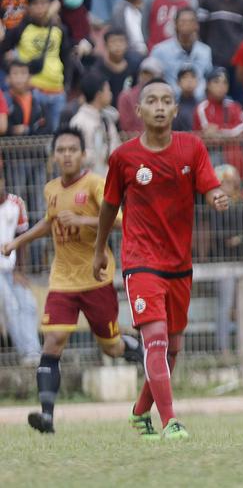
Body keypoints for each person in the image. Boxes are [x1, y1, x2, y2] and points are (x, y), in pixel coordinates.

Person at [95, 78, 227, 439]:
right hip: (140, 260)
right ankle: (171, 422)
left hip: (179, 263)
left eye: (165, 100)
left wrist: (217, 197)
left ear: (174, 109)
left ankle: (140, 413)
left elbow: (209, 185)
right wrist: (99, 248)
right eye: (150, 100)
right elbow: (109, 206)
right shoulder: (123, 157)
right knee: (155, 338)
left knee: (173, 348)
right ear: (138, 111)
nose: (158, 106)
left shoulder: (191, 148)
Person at [4, 128, 142, 433]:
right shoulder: (51, 188)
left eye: (72, 150)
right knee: (53, 341)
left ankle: (143, 353)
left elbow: (121, 219)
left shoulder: (96, 184)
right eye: (61, 150)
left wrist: (83, 220)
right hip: (63, 281)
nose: (66, 155)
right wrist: (17, 242)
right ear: (54, 155)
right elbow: (49, 222)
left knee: (112, 347)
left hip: (95, 280)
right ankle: (47, 417)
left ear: (82, 155)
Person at [3, 0, 71, 128]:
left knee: (57, 137)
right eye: (35, 4)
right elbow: (2, 52)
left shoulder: (59, 29)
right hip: (33, 91)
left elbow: (67, 58)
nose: (40, 8)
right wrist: (13, 71)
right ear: (28, 7)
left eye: (44, 3)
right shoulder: (20, 29)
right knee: (36, 137)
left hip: (57, 91)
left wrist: (66, 85)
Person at [0, 171, 37, 366]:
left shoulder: (16, 203)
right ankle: (27, 353)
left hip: (11, 268)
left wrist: (19, 270)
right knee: (11, 307)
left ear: (3, 181)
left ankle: (34, 353)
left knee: (28, 305)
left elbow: (23, 240)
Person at [150, 6, 212, 99]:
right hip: (170, 101)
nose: (187, 24)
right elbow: (152, 81)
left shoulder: (205, 51)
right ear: (175, 24)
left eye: (191, 21)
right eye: (183, 21)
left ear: (197, 25)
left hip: (199, 102)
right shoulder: (159, 51)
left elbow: (208, 77)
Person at [69, 75, 121, 175]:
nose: (110, 94)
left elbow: (116, 147)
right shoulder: (78, 121)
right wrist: (99, 154)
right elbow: (74, 155)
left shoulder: (106, 119)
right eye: (108, 90)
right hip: (87, 183)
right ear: (99, 94)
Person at [116, 57, 160, 133]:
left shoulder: (163, 99)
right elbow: (126, 127)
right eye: (144, 73)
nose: (146, 78)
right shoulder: (126, 97)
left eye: (150, 75)